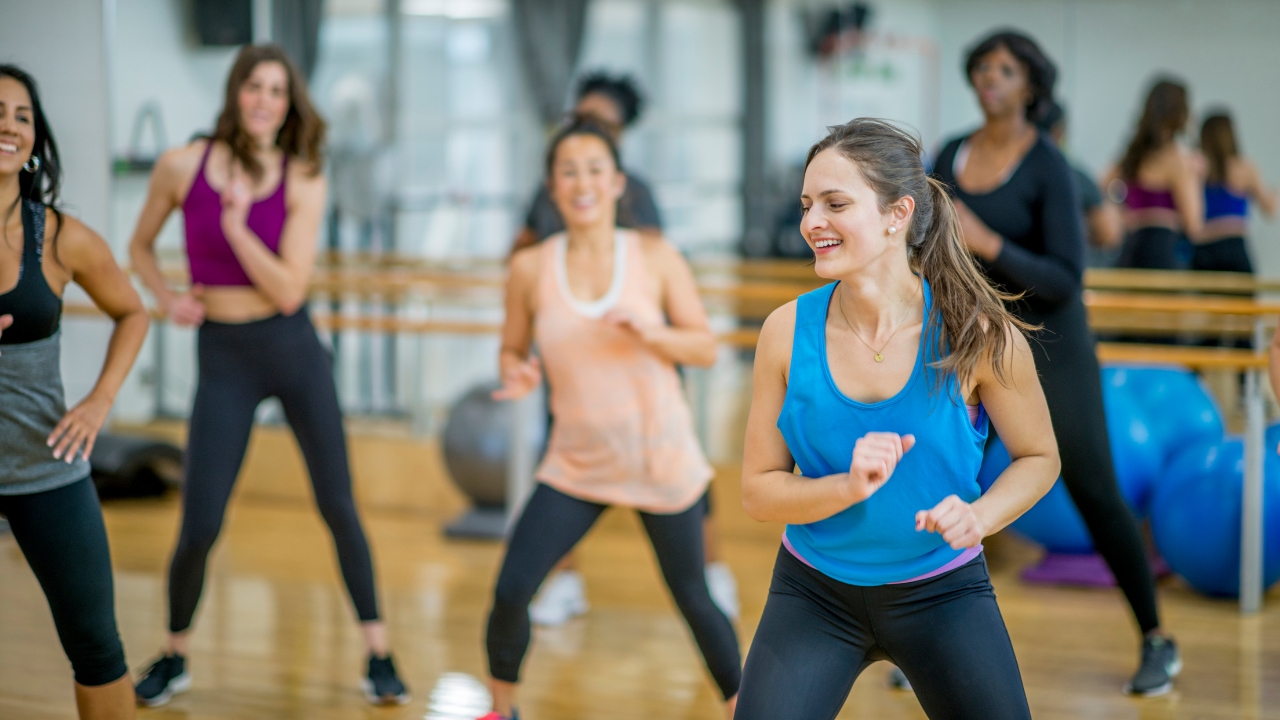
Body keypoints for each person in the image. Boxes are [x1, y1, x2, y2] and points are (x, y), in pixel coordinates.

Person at [733, 117, 1058, 720]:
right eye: (807, 205)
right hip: (814, 593)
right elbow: (757, 491)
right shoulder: (785, 332)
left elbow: (1040, 457)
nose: (811, 224)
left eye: (835, 204)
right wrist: (845, 488)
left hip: (942, 592)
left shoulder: (977, 333)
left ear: (897, 213)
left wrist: (981, 516)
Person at [126, 45, 408, 706]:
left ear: (289, 105)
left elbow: (288, 290)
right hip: (222, 356)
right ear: (235, 92)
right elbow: (138, 244)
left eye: (277, 91)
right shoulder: (181, 165)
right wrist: (168, 298)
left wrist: (237, 226)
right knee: (200, 522)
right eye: (254, 87)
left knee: (338, 505)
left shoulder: (303, 175)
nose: (264, 101)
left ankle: (378, 651)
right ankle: (175, 654)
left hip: (292, 348)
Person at [932, 30, 1180, 696]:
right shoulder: (950, 154)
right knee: (946, 480)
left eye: (1005, 70)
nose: (990, 78)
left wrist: (985, 239)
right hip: (972, 338)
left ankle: (1157, 637)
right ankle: (923, 637)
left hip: (1053, 343)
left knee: (1095, 488)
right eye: (982, 67)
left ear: (1031, 86)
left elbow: (1066, 277)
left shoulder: (1049, 165)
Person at [476, 116, 741, 720]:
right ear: (551, 186)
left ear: (618, 182)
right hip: (577, 461)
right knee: (512, 589)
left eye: (595, 169)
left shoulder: (654, 257)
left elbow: (704, 348)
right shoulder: (529, 268)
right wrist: (516, 370)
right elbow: (512, 348)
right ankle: (502, 710)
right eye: (568, 171)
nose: (582, 182)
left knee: (694, 599)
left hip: (660, 456)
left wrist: (653, 332)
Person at [516, 72, 739, 628]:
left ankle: (711, 575)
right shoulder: (555, 184)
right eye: (581, 118)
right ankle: (564, 582)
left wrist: (649, 328)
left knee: (681, 474)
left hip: (644, 364)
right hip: (574, 364)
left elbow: (656, 271)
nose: (589, 132)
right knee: (562, 471)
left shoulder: (630, 191)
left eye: (603, 124)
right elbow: (521, 250)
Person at [0, 64, 149, 720]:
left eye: (21, 115)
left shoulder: (59, 237)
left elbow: (134, 312)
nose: (8, 124)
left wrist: (100, 400)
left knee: (96, 646)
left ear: (35, 138)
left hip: (45, 469)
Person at [1105, 79, 1202, 269]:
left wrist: (1119, 208)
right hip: (1163, 255)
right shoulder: (1178, 160)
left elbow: (1103, 184)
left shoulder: (1132, 155)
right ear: (1181, 114)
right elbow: (1193, 224)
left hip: (1130, 251)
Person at [1036, 101, 1124, 266]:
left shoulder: (1009, 174)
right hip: (1065, 269)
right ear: (1059, 131)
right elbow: (1109, 233)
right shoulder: (1071, 175)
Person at [1192, 111, 1277, 273]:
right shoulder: (1244, 168)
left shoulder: (1197, 169)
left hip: (1203, 250)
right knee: (1241, 298)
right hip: (1234, 248)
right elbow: (1269, 209)